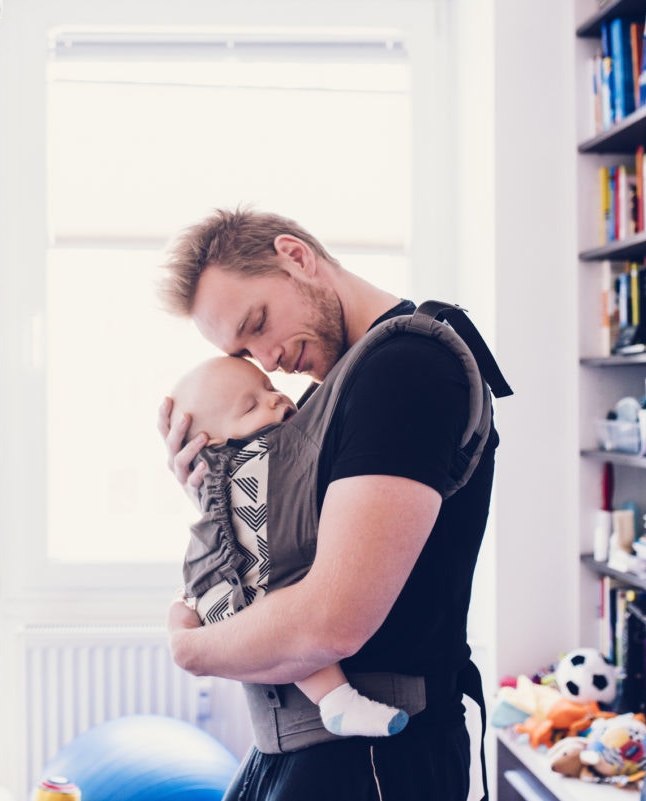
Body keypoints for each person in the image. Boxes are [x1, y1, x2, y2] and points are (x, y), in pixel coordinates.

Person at [156, 207, 504, 800]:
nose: (268, 361)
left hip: (375, 758)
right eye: (245, 352)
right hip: (315, 753)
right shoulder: (330, 393)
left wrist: (194, 650)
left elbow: (329, 624)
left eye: (259, 323)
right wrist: (219, 488)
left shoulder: (405, 369)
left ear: (296, 256)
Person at [169, 354, 410, 739]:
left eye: (270, 388)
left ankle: (336, 703)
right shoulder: (261, 454)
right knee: (282, 613)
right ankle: (337, 700)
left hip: (216, 594)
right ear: (209, 443)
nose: (275, 400)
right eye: (250, 406)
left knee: (284, 612)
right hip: (230, 595)